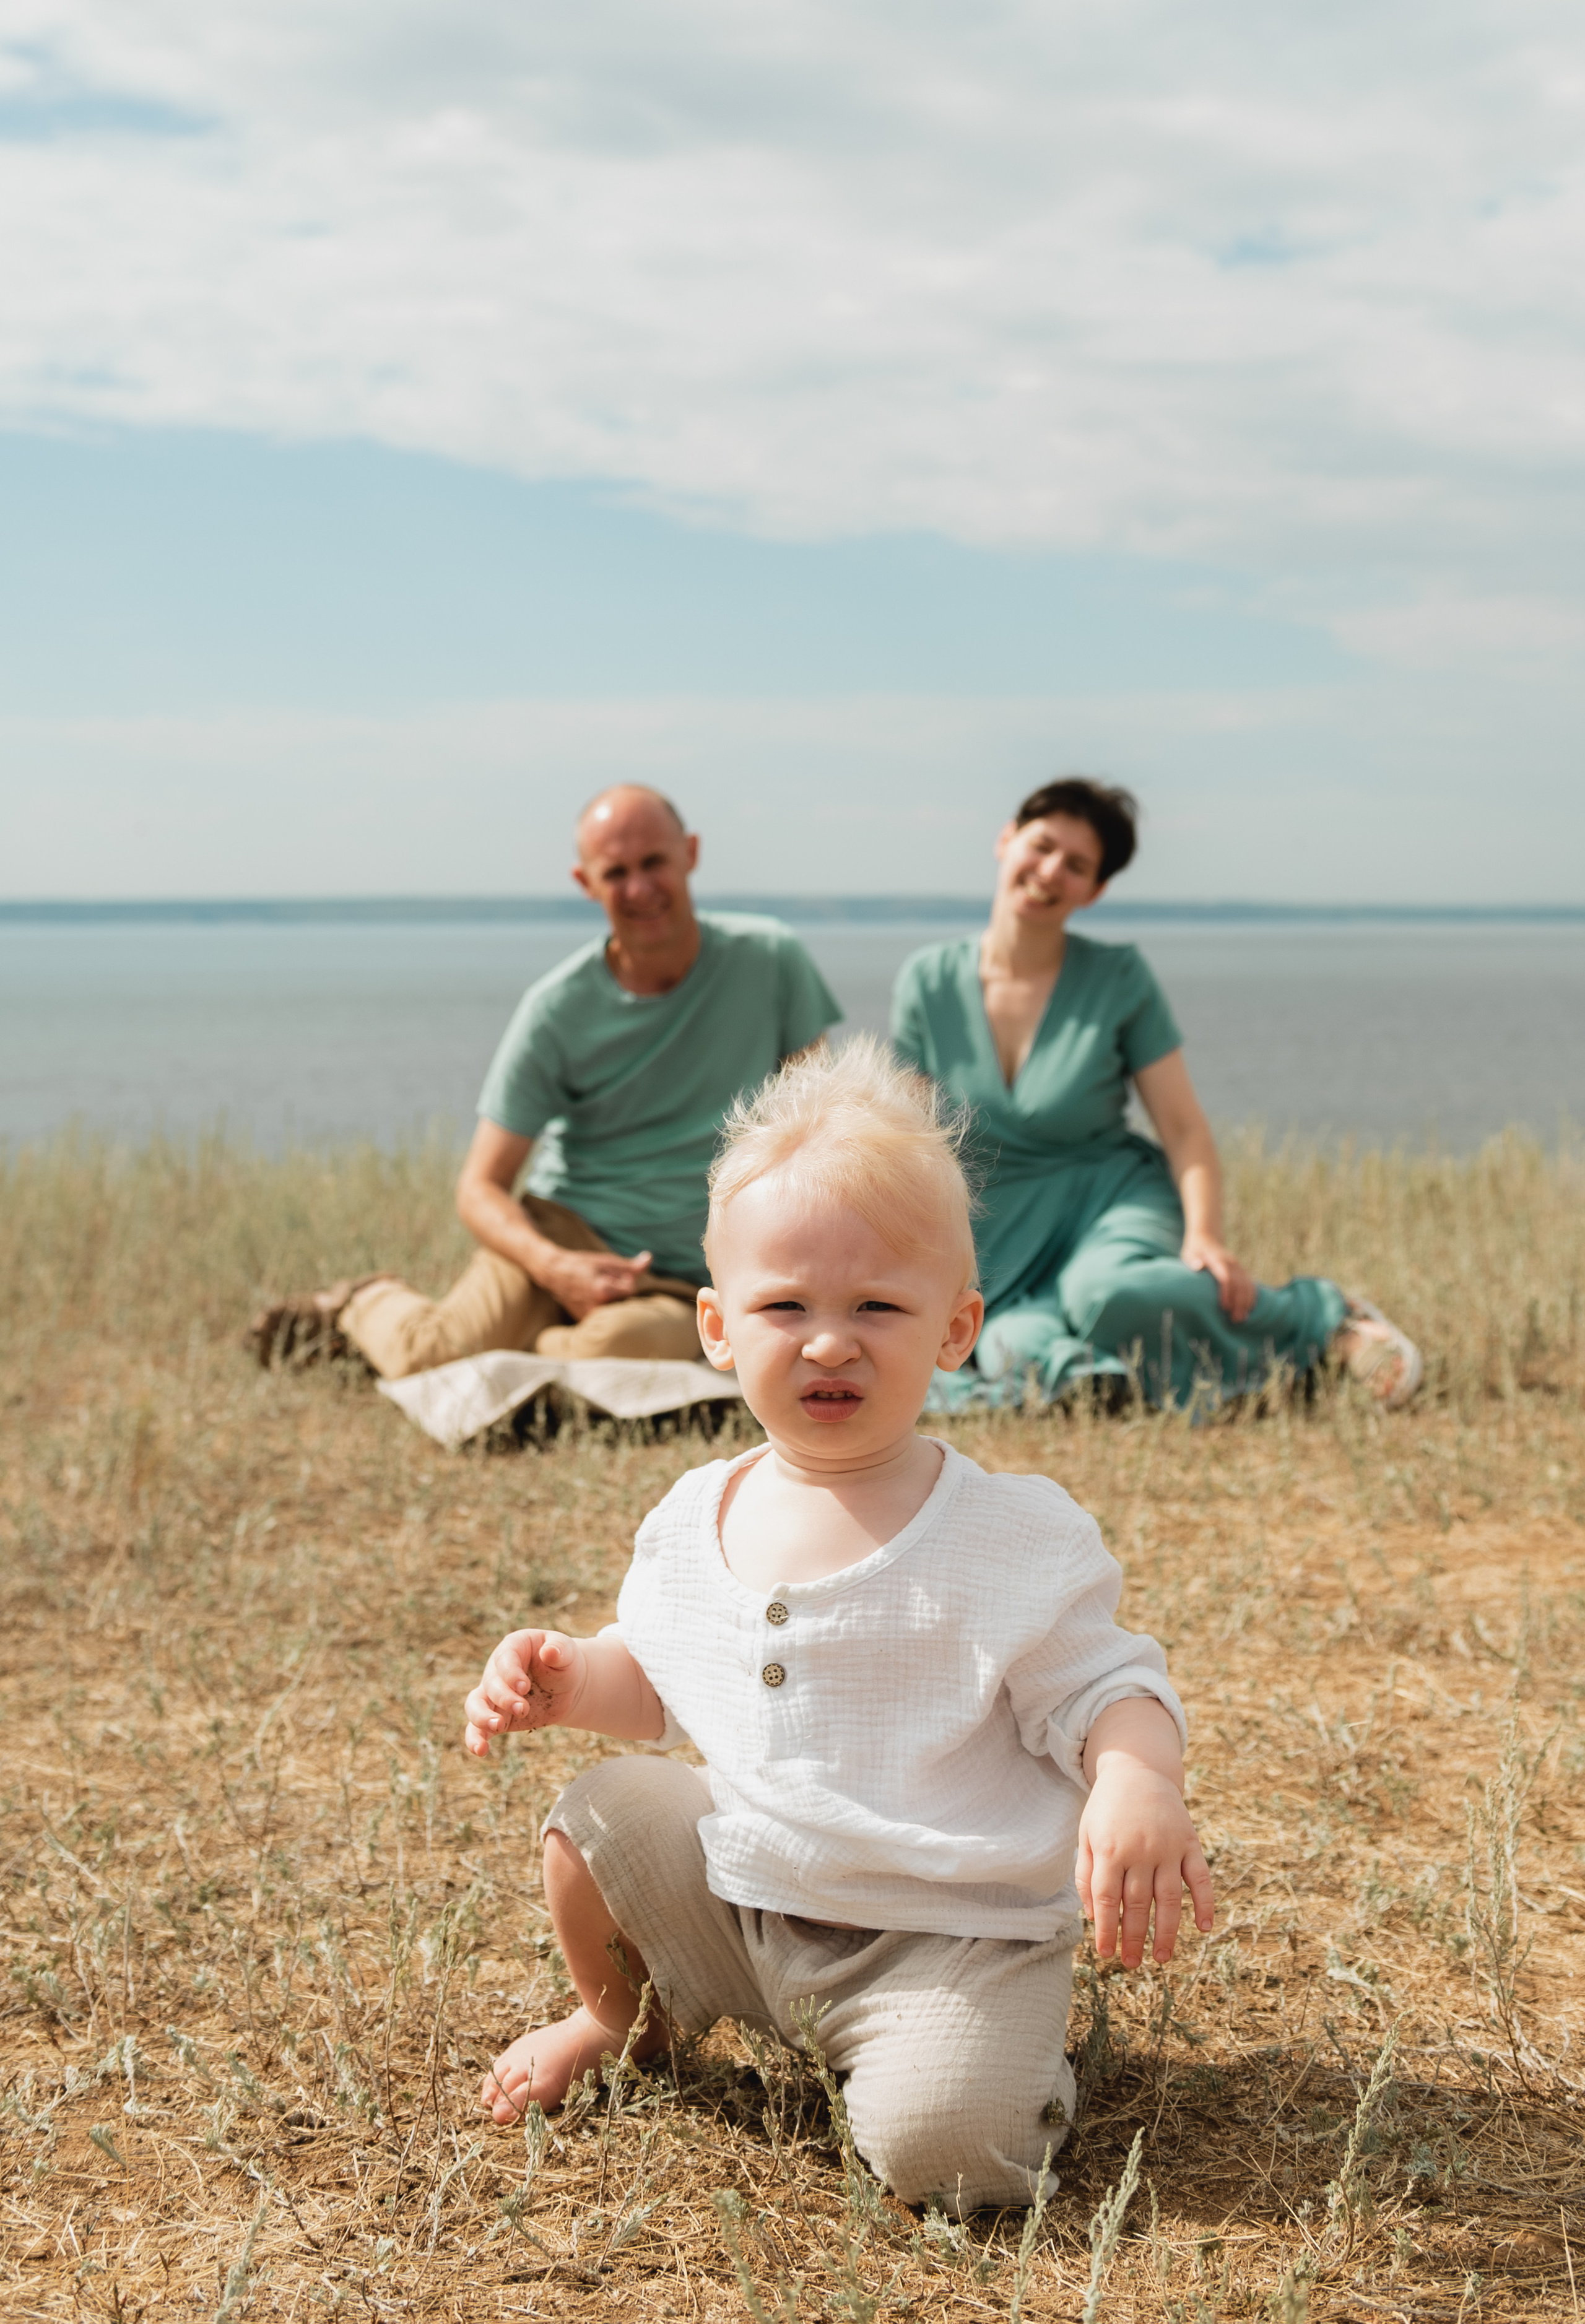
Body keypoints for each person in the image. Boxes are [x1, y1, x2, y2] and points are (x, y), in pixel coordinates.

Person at [462, 1040, 1212, 2213]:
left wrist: (1137, 1779)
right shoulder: (692, 1512)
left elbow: (1105, 1685)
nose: (828, 1338)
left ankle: (994, 2068)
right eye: (785, 1304)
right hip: (751, 1900)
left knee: (944, 2154)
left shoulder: (1008, 1534)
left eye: (876, 1304)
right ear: (716, 1325)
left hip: (946, 1939)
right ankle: (628, 2020)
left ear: (956, 1326)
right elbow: (653, 1681)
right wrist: (567, 1676)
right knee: (596, 1817)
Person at [248, 786, 842, 1377]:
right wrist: (555, 1266)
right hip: (559, 1238)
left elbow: (812, 1138)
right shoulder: (555, 1010)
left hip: (682, 1275)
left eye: (654, 862)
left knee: (616, 1350)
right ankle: (363, 1301)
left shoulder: (772, 961)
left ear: (690, 853)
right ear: (586, 883)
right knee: (427, 1355)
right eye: (616, 872)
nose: (639, 889)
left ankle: (524, 1350)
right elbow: (480, 1186)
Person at [890, 777, 1422, 1413]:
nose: (1051, 870)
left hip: (1108, 1198)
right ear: (1006, 841)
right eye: (1042, 846)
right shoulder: (926, 981)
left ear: (1095, 891)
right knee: (1013, 1342)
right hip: (998, 1231)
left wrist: (1205, 1235)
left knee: (1105, 1295)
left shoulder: (1119, 977)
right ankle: (1129, 1382)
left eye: (1077, 865)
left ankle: (1327, 1319)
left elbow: (1182, 1127)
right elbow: (909, 1144)